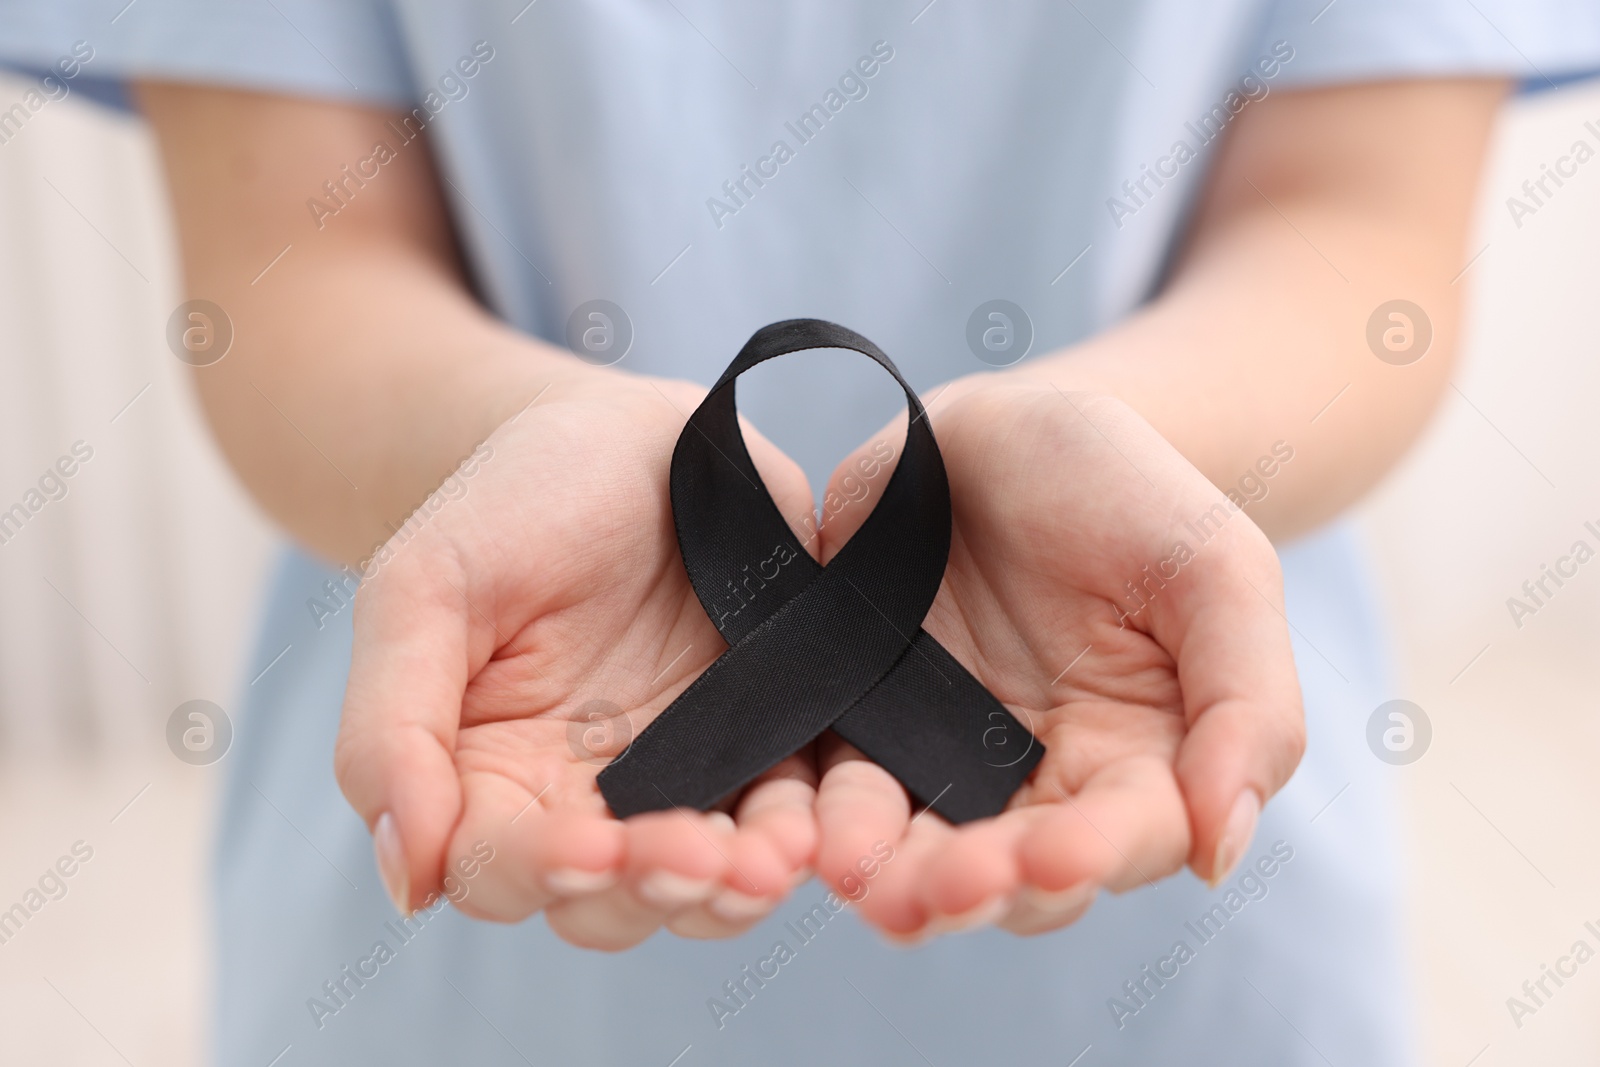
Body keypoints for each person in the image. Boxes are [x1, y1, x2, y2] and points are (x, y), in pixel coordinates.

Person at [4, 1, 1596, 1063]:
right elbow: (289, 276)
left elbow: (1360, 237)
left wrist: (1123, 452)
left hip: (1159, 854)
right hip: (480, 879)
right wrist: (516, 445)